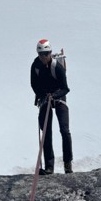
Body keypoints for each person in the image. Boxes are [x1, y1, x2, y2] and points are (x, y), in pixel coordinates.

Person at [30, 38, 73, 174]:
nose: (44, 57)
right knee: (46, 132)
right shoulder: (35, 66)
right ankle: (49, 167)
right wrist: (43, 95)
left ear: (50, 52)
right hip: (44, 97)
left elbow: (65, 88)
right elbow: (34, 85)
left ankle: (67, 164)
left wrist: (54, 96)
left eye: (47, 53)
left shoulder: (57, 67)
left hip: (59, 97)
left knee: (64, 130)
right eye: (42, 54)